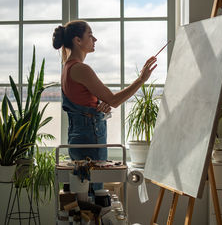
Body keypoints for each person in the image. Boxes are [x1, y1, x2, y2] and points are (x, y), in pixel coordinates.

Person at [52, 20, 157, 164]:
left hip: (78, 137)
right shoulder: (81, 69)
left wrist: (99, 105)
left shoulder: (67, 67)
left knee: (83, 185)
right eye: (90, 35)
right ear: (78, 40)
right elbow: (114, 100)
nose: (95, 39)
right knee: (94, 185)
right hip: (90, 139)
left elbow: (83, 100)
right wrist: (141, 79)